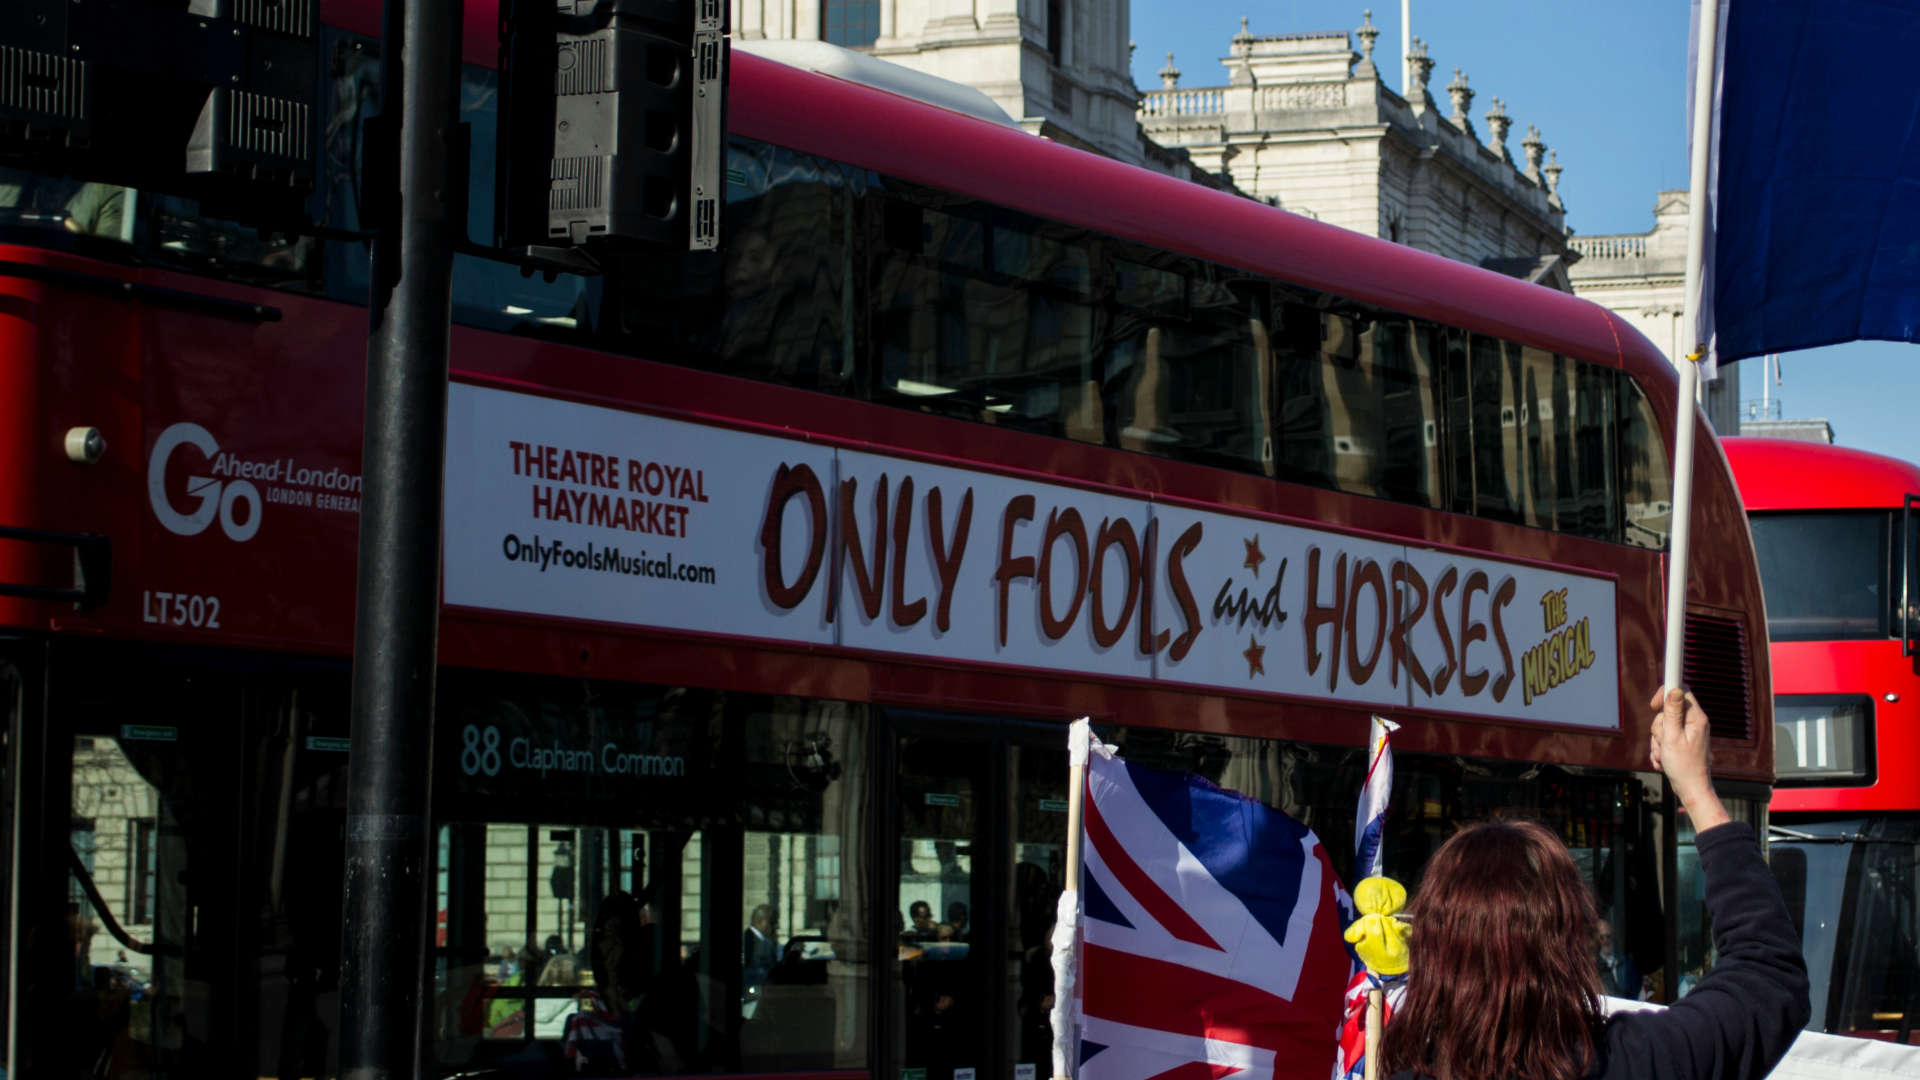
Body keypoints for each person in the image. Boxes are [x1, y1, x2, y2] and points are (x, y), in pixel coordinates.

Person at [1381, 686, 1810, 1080]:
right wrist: (1697, 792)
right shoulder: (1639, 1059)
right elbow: (1768, 977)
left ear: (1433, 950)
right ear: (1568, 942)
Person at [743, 904, 779, 993]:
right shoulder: (749, 941)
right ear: (764, 921)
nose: (776, 926)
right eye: (773, 922)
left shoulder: (763, 940)